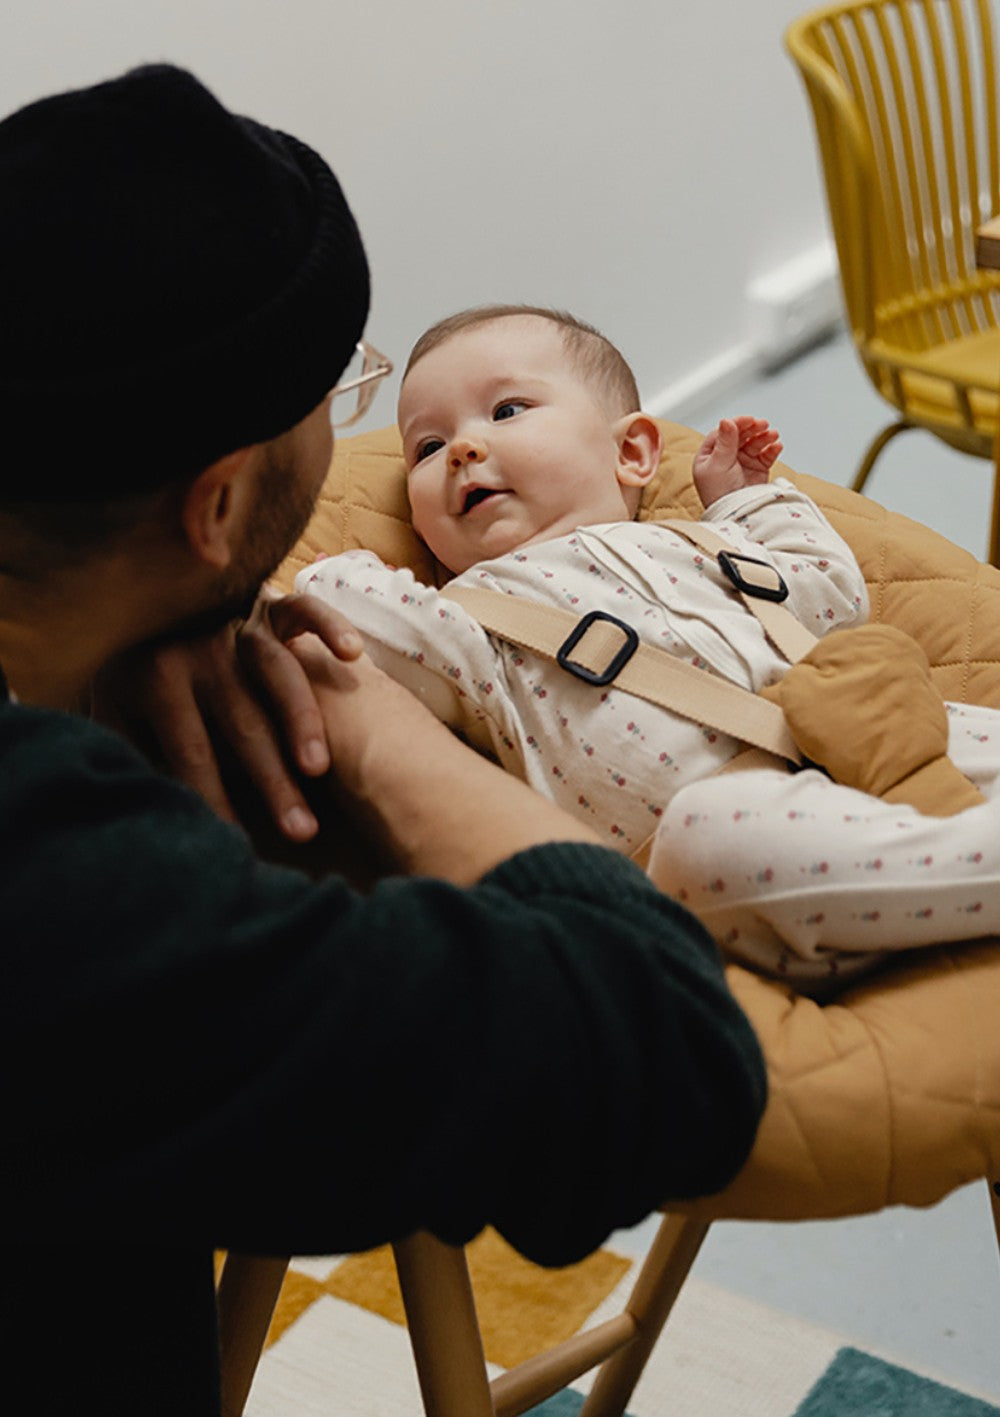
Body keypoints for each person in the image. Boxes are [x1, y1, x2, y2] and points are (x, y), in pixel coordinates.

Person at [0, 71, 768, 1415]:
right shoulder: (82, 901)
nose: (452, 455)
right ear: (223, 500)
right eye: (365, 405)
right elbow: (658, 1050)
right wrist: (374, 724)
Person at [295, 305, 1000, 992]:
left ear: (631, 452)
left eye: (506, 411)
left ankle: (953, 859)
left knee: (966, 725)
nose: (464, 448)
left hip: (878, 745)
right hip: (736, 836)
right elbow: (373, 634)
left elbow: (832, 599)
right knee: (706, 840)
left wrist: (745, 504)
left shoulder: (700, 540)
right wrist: (330, 577)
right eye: (426, 447)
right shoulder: (471, 622)